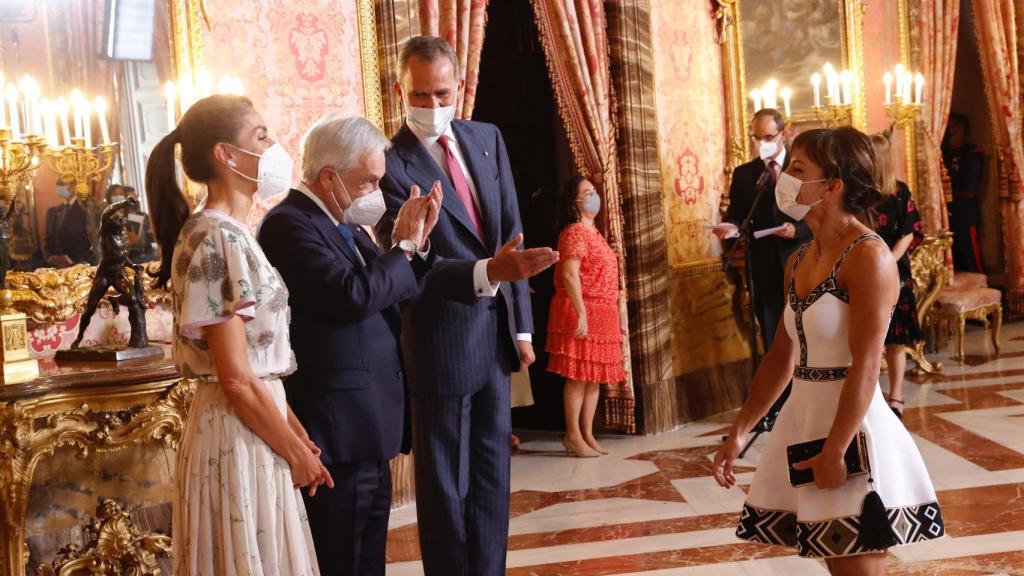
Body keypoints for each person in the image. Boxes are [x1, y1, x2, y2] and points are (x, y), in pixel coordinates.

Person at [713, 127, 944, 575]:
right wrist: (740, 429)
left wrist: (837, 448)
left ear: (834, 185)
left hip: (852, 430)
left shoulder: (868, 258)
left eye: (798, 170)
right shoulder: (800, 257)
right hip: (805, 419)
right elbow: (782, 356)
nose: (785, 178)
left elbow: (866, 364)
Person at [377, 36, 559, 576]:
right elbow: (411, 265)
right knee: (444, 485)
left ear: (460, 87)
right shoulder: (387, 163)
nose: (432, 107)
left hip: (496, 338)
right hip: (439, 342)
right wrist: (488, 274)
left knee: (491, 476)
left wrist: (522, 328)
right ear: (399, 91)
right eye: (420, 95)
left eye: (441, 93)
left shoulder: (486, 138)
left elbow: (510, 234)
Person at [145, 94, 329, 575]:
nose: (274, 146)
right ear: (226, 154)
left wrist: (291, 427)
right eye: (261, 136)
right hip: (237, 434)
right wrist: (294, 452)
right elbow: (234, 378)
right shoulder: (216, 237)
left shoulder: (228, 233)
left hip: (252, 426)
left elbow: (253, 363)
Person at [259, 113, 442, 575]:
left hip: (368, 422)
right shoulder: (288, 224)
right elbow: (351, 296)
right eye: (369, 181)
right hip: (337, 426)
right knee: (342, 556)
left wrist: (416, 247)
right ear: (329, 176)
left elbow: (393, 295)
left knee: (367, 556)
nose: (375, 192)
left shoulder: (348, 225)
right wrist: (399, 248)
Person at [713, 108, 812, 353]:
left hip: (802, 262)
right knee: (772, 338)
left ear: (783, 133)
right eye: (757, 138)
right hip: (763, 266)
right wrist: (731, 227)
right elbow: (737, 214)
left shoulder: (804, 169)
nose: (762, 144)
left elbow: (819, 212)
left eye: (768, 137)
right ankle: (780, 392)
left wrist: (797, 229)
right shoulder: (745, 174)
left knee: (807, 335)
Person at [546, 176, 625, 458]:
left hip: (603, 311)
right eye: (587, 192)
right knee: (578, 376)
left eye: (594, 191)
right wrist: (581, 312)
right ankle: (573, 434)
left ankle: (588, 433)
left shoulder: (595, 233)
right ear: (574, 202)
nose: (594, 196)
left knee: (594, 377)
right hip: (582, 307)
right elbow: (569, 274)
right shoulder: (575, 232)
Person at [869, 133, 924, 419]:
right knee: (869, 338)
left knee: (896, 338)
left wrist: (887, 261)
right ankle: (872, 398)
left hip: (895, 270)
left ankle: (896, 397)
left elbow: (908, 232)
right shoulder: (859, 194)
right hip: (864, 270)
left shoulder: (900, 191)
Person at [942, 113, 985, 272]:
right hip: (947, 210)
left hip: (965, 211)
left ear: (963, 130)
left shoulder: (972, 153)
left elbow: (969, 187)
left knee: (970, 255)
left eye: (953, 127)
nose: (949, 131)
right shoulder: (942, 152)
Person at [43, 184, 95, 267]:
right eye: (58, 184)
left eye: (62, 183)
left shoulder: (86, 209)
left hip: (80, 263)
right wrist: (49, 256)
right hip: (56, 265)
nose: (59, 187)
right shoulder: (55, 211)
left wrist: (70, 259)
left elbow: (90, 237)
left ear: (73, 186)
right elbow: (48, 237)